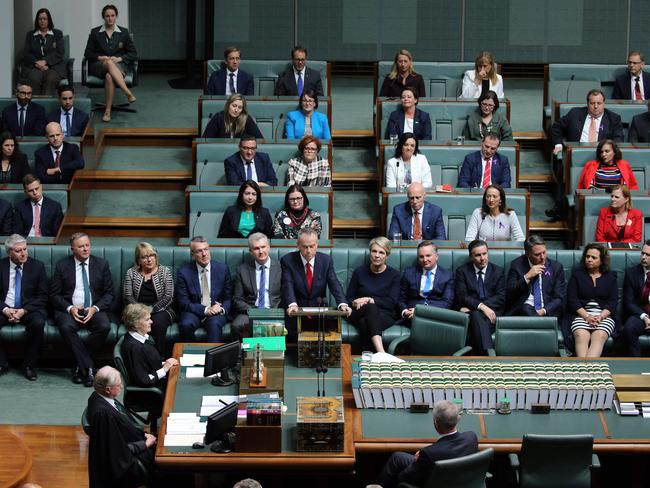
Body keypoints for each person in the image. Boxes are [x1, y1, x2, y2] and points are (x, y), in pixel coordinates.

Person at [547, 90, 624, 220]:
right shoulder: (575, 114)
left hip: (601, 159)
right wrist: (559, 145)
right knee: (562, 167)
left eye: (599, 103)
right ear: (587, 103)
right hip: (575, 156)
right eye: (592, 103)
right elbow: (556, 128)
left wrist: (608, 154)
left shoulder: (613, 119)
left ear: (604, 103)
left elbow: (618, 141)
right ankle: (560, 208)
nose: (595, 106)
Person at [51, 233, 113, 386]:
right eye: (81, 246)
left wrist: (95, 308)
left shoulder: (102, 264)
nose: (85, 249)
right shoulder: (62, 265)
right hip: (69, 310)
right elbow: (54, 295)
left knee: (104, 326)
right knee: (66, 327)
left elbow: (109, 293)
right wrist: (70, 308)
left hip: (94, 309)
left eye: (87, 245)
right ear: (72, 249)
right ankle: (89, 368)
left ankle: (80, 367)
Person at [374, 400, 478, 488]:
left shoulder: (429, 453)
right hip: (461, 480)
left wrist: (418, 461)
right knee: (397, 457)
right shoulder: (472, 437)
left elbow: (404, 478)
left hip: (435, 482)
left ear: (436, 423)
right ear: (457, 419)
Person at [86, 366, 155, 488]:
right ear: (108, 389)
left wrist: (143, 435)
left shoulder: (98, 397)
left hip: (134, 443)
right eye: (118, 384)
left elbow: (123, 428)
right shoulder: (104, 415)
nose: (122, 386)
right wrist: (145, 443)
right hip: (126, 465)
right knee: (171, 466)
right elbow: (117, 452)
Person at [281, 228, 351, 336]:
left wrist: (342, 302)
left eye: (312, 246)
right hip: (296, 311)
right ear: (298, 245)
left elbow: (334, 283)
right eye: (305, 247)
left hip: (319, 311)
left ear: (317, 245)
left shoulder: (326, 260)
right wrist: (292, 304)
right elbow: (287, 284)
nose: (308, 250)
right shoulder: (287, 260)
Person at [0, 235, 47, 381]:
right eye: (18, 250)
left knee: (38, 323)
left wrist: (23, 310)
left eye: (25, 249)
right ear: (9, 253)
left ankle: (28, 365)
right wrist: (5, 310)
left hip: (28, 309)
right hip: (4, 308)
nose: (23, 253)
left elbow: (42, 296)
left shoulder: (37, 266)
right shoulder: (0, 265)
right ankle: (2, 362)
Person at [84, 4, 138, 123]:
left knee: (109, 76)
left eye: (112, 15)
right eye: (107, 16)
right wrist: (100, 57)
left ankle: (107, 111)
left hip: (119, 66)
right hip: (98, 66)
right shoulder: (95, 32)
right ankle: (127, 92)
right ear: (103, 17)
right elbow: (87, 53)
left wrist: (120, 59)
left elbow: (133, 53)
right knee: (108, 62)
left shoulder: (124, 32)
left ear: (116, 16)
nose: (110, 18)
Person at [346, 237, 400, 353]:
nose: (377, 255)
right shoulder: (359, 272)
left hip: (385, 314)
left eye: (381, 252)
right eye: (374, 251)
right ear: (370, 253)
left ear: (387, 256)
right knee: (369, 308)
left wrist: (370, 299)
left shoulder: (394, 275)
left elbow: (392, 303)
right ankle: (381, 353)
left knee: (364, 323)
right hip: (358, 312)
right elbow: (348, 298)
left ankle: (367, 355)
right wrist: (354, 302)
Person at [123, 242, 175, 355]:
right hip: (137, 310)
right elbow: (128, 296)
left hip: (162, 310)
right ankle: (140, 358)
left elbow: (169, 296)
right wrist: (140, 311)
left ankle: (158, 357)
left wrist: (151, 310)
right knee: (137, 322)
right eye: (144, 257)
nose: (149, 259)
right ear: (138, 260)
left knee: (156, 322)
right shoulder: (131, 273)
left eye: (151, 255)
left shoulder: (165, 271)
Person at [176, 236, 232, 342]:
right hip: (193, 312)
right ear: (192, 254)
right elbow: (183, 302)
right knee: (186, 324)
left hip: (216, 311)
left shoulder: (222, 269)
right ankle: (188, 358)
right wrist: (206, 310)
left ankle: (214, 359)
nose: (204, 254)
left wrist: (221, 308)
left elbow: (228, 298)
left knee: (214, 324)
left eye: (206, 249)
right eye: (199, 251)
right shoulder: (184, 272)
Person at [566, 243, 618, 358]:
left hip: (604, 317)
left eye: (593, 257)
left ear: (602, 260)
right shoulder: (577, 275)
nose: (589, 260)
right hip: (581, 315)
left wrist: (600, 317)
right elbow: (572, 300)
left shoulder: (611, 277)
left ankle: (588, 370)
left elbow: (612, 303)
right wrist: (587, 317)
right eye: (587, 256)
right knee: (580, 334)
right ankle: (585, 371)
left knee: (599, 336)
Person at [454, 240, 505, 354]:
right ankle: (488, 355)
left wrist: (475, 307)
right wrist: (481, 307)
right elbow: (462, 296)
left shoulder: (498, 271)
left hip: (492, 313)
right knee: (477, 316)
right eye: (478, 255)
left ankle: (478, 357)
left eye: (485, 253)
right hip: (475, 314)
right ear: (471, 257)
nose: (482, 258)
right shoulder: (462, 271)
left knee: (476, 318)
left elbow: (500, 297)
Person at [232, 233, 282, 340]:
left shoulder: (281, 268)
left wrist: (275, 311)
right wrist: (253, 311)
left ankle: (275, 355)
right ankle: (243, 355)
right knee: (237, 325)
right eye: (256, 248)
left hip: (274, 310)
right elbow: (237, 299)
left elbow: (286, 294)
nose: (261, 251)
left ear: (269, 247)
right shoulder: (242, 270)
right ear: (250, 251)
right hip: (250, 310)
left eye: (263, 247)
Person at [120, 303, 178, 390]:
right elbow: (144, 380)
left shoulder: (142, 338)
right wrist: (164, 369)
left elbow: (148, 362)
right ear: (136, 324)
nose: (151, 322)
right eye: (147, 320)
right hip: (156, 391)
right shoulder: (134, 348)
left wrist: (165, 364)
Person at [506, 234, 566, 318]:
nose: (542, 257)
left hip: (547, 311)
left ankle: (536, 320)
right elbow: (510, 294)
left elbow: (559, 298)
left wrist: (543, 311)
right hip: (524, 310)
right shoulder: (516, 265)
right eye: (537, 254)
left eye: (544, 252)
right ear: (527, 254)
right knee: (525, 308)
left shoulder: (556, 267)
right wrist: (527, 277)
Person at [399, 241, 454, 321]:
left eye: (428, 256)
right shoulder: (408, 273)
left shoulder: (448, 275)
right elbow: (401, 298)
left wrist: (422, 311)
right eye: (421, 257)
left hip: (436, 315)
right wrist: (405, 312)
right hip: (412, 316)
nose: (424, 260)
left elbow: (447, 302)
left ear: (437, 256)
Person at [21, 8, 66, 96]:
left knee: (50, 79)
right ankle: (35, 106)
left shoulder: (57, 34)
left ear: (49, 20)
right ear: (37, 21)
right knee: (34, 79)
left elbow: (60, 52)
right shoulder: (30, 35)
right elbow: (26, 53)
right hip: (35, 67)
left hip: (53, 67)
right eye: (40, 19)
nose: (42, 21)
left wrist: (45, 62)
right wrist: (36, 62)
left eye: (44, 19)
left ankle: (46, 106)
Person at [623, 241, 650, 356]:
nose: (643, 257)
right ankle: (636, 364)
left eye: (648, 255)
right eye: (642, 253)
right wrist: (644, 317)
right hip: (640, 314)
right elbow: (629, 302)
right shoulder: (632, 273)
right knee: (629, 328)